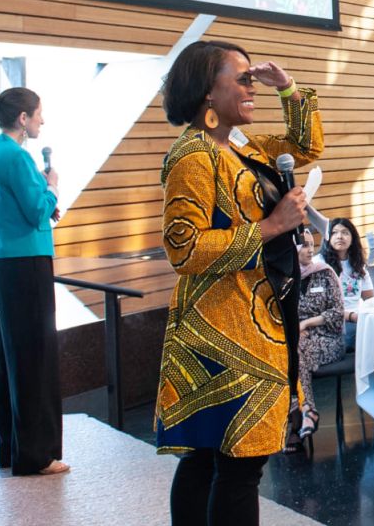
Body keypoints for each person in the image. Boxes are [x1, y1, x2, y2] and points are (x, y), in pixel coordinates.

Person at [156, 41, 320, 525]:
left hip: (254, 321)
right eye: (242, 77)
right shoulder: (194, 156)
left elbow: (307, 146)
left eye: (253, 77)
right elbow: (183, 249)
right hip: (221, 331)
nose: (252, 86)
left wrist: (288, 88)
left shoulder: (241, 145)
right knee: (234, 464)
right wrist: (271, 227)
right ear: (207, 91)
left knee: (215, 459)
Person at [0, 87, 68, 477]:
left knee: (8, 358)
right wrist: (52, 187)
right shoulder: (16, 157)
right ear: (23, 119)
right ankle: (36, 455)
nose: (43, 120)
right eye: (39, 114)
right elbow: (36, 212)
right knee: (34, 358)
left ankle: (11, 449)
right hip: (24, 261)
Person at [289, 228, 344, 451]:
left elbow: (337, 312)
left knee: (293, 356)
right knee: (288, 354)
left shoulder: (325, 272)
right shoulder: (283, 277)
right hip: (295, 340)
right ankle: (305, 414)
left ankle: (297, 421)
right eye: (304, 244)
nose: (310, 250)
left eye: (313, 244)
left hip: (328, 338)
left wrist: (305, 324)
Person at [319, 218, 373, 350]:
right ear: (327, 237)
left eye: (345, 232)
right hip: (333, 322)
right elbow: (320, 307)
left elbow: (371, 300)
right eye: (334, 232)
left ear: (352, 238)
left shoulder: (358, 264)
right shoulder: (319, 264)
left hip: (358, 319)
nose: (340, 236)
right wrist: (351, 316)